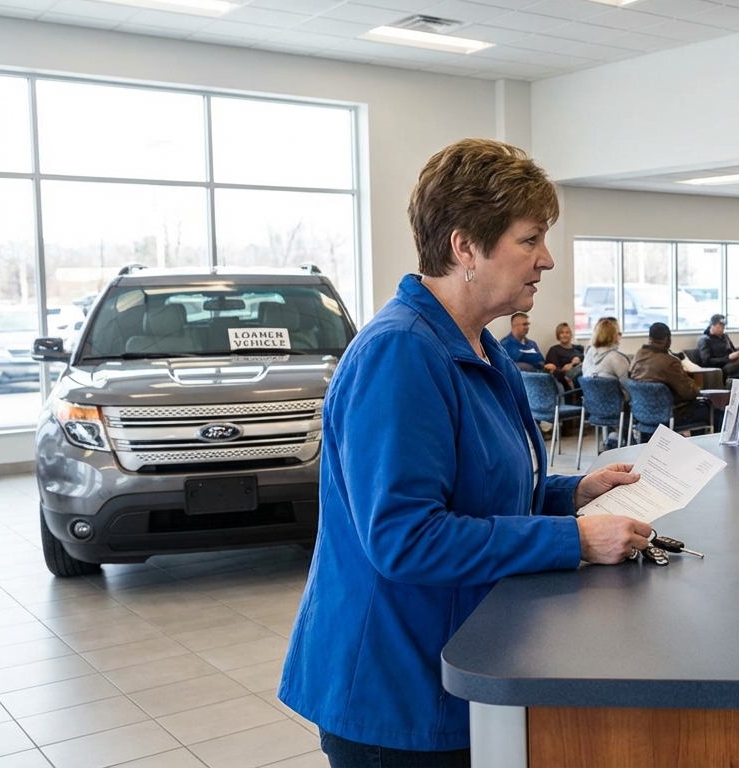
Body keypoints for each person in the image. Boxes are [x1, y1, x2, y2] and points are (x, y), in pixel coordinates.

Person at [279, 138, 653, 768]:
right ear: (465, 247)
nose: (547, 260)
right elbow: (406, 538)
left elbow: (483, 489)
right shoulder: (399, 355)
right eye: (530, 239)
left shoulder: (481, 347)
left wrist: (572, 493)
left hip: (459, 666)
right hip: (395, 697)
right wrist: (575, 541)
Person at [630, 321, 709, 431]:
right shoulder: (670, 362)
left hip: (642, 415)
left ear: (650, 338)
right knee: (709, 409)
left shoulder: (637, 356)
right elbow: (690, 393)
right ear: (668, 340)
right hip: (669, 415)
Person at [696, 313, 739, 380]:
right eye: (720, 325)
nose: (723, 328)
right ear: (712, 325)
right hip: (723, 368)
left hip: (734, 365)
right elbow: (707, 362)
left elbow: (733, 350)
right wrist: (728, 358)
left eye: (723, 326)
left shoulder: (724, 337)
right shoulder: (704, 340)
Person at [581, 316, 629, 382]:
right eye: (619, 333)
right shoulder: (617, 359)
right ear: (614, 335)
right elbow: (628, 386)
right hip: (613, 392)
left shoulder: (588, 354)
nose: (620, 336)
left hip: (590, 392)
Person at [544, 322, 584, 388]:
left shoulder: (578, 348)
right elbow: (553, 369)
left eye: (567, 332)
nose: (565, 335)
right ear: (558, 335)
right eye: (562, 333)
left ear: (571, 334)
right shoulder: (554, 350)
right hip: (565, 377)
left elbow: (585, 358)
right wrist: (564, 370)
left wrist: (578, 359)